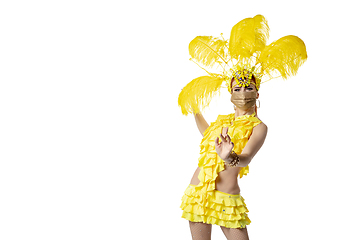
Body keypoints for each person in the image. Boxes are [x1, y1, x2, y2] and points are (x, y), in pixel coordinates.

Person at [178, 15, 307, 240]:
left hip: (227, 199)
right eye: (237, 89)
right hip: (198, 193)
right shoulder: (222, 122)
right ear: (230, 95)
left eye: (248, 87)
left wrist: (230, 156)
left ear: (257, 93)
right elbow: (207, 133)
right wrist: (195, 109)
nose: (242, 92)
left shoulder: (260, 127)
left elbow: (246, 157)